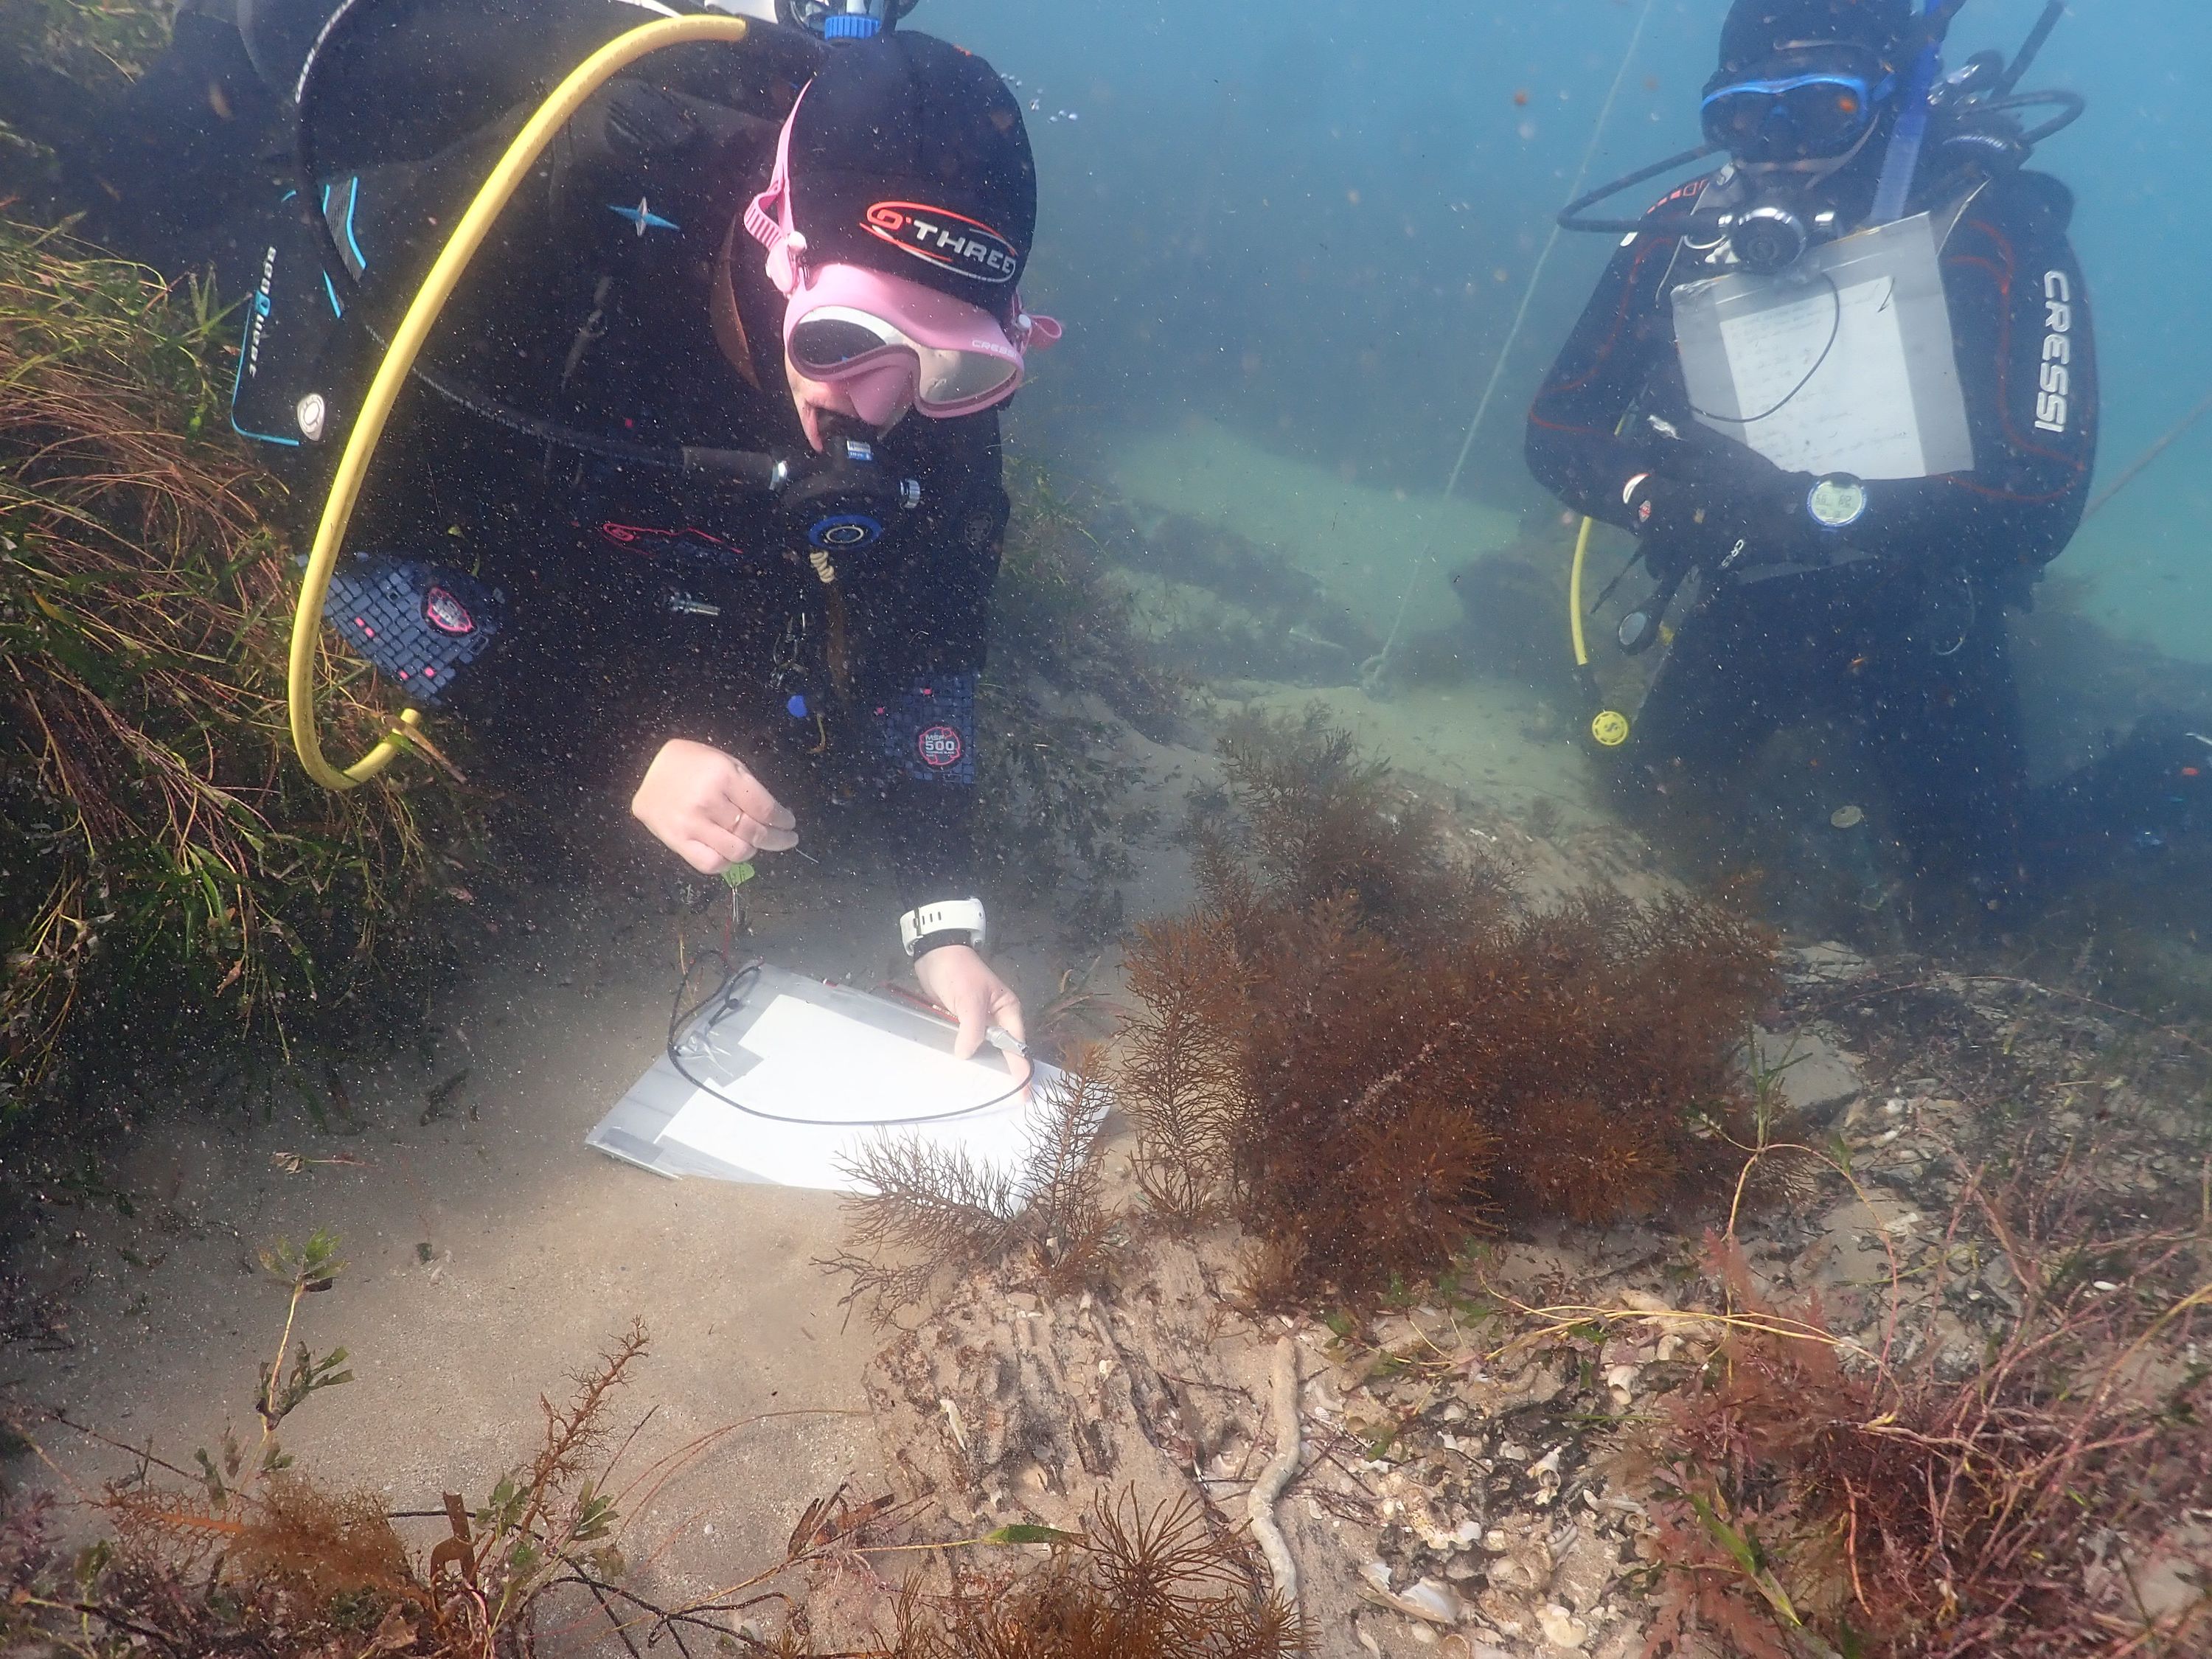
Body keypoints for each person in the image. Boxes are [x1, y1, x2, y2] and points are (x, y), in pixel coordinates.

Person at [77, 0, 1052, 1077]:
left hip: (598, 527)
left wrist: (941, 923)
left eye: (961, 366)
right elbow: (343, 550)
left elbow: (934, 646)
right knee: (124, 201)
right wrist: (617, 749)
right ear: (778, 240)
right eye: (847, 341)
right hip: (339, 268)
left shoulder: (939, 403)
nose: (884, 407)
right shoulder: (572, 216)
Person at [1526, 0, 2096, 917]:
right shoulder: (1685, 228)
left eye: (1822, 108)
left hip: (1924, 616)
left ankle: (2169, 774)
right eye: (1743, 116)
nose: (1776, 145)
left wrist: (1816, 509)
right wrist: (1656, 502)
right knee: (1647, 819)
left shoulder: (1993, 226)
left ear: (1887, 96)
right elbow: (1556, 428)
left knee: (1980, 906)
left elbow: (2043, 500)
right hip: (1747, 601)